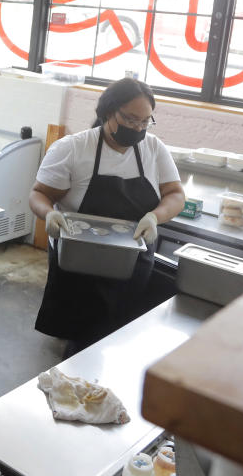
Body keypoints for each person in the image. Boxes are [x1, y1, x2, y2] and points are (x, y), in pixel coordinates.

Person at [29, 78, 185, 358]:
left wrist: (154, 217)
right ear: (107, 112)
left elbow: (175, 194)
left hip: (132, 259)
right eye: (130, 119)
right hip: (80, 259)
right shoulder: (74, 149)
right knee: (82, 341)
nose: (138, 128)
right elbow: (39, 194)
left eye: (145, 121)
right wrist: (49, 214)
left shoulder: (153, 149)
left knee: (120, 337)